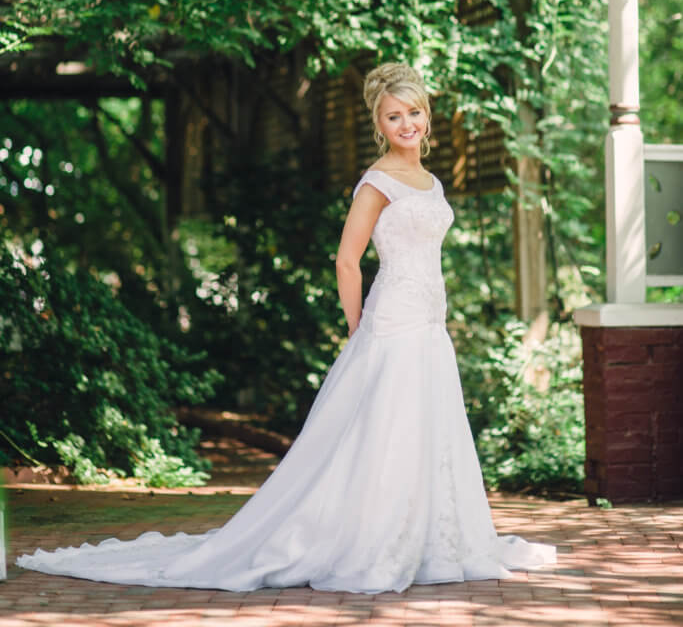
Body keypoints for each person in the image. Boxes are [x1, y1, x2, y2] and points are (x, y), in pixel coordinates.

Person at [17, 62, 555, 593]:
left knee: (427, 426)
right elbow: (347, 260)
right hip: (391, 320)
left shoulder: (432, 182)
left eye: (414, 112)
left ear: (427, 115)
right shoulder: (377, 181)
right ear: (380, 124)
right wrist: (357, 325)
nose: (407, 124)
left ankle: (432, 538)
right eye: (394, 117)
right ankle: (373, 537)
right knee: (383, 428)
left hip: (431, 324)